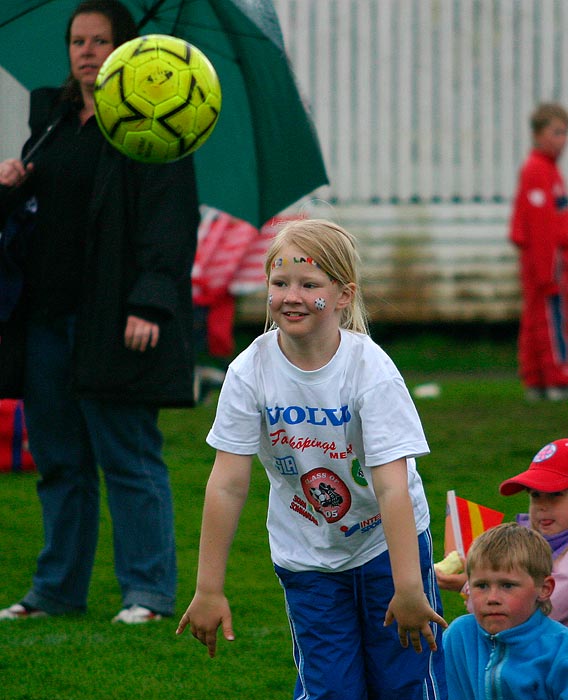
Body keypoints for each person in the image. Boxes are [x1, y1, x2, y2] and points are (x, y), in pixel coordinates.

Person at [176, 219, 448, 699]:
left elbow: (391, 486)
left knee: (405, 685)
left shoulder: (371, 371)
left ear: (343, 295)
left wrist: (409, 587)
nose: (291, 296)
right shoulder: (248, 372)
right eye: (279, 283)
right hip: (306, 556)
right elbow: (226, 484)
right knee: (331, 691)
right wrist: (208, 589)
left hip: (388, 550)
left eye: (309, 284)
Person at [0, 0, 199, 623]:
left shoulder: (152, 126)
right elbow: (40, 217)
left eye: (99, 40)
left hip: (114, 322)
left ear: (128, 50)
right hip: (45, 322)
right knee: (60, 463)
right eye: (77, 41)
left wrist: (151, 302)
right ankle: (57, 589)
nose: (86, 51)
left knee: (129, 458)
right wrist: (12, 185)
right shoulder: (55, 122)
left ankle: (147, 593)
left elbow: (171, 223)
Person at [443, 522, 568, 699]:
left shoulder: (560, 649)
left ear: (544, 588)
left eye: (507, 585)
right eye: (481, 585)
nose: (492, 598)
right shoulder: (460, 636)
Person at [509, 102, 568, 401]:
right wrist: (548, 272)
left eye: (564, 133)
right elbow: (540, 228)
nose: (562, 140)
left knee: (537, 320)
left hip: (545, 262)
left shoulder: (549, 170)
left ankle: (537, 381)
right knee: (550, 321)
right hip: (546, 264)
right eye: (556, 132)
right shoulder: (537, 171)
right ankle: (556, 380)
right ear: (538, 134)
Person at [499, 438, 568, 626]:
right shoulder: (525, 540)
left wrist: (475, 585)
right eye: (535, 495)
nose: (542, 507)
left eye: (555, 495)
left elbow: (535, 614)